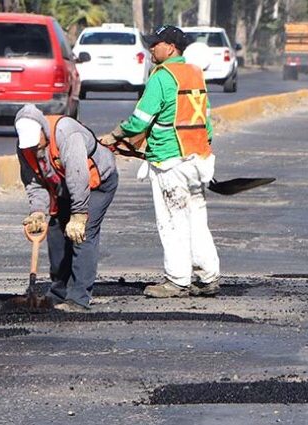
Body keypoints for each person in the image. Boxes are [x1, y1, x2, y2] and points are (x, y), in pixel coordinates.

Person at [99, 25, 220, 299]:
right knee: (197, 220)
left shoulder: (163, 77)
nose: (151, 48)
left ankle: (177, 281)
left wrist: (115, 135)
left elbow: (140, 120)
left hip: (170, 162)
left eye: (156, 44)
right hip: (199, 159)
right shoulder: (194, 74)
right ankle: (208, 277)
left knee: (173, 220)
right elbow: (207, 123)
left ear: (171, 48)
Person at [14, 104, 118, 313]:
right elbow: (35, 181)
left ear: (43, 130)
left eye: (37, 143)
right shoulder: (25, 147)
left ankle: (79, 298)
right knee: (55, 229)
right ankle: (58, 291)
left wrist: (79, 215)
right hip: (64, 186)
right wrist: (38, 212)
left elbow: (78, 176)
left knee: (82, 233)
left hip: (97, 183)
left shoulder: (66, 133)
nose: (33, 148)